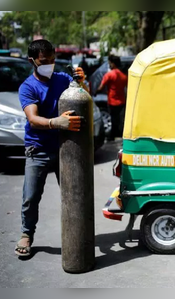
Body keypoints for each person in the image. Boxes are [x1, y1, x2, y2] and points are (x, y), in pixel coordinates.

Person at [15, 39, 88, 257]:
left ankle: (80, 235)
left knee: (74, 194)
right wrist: (55, 122)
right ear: (32, 61)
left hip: (65, 148)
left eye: (53, 60)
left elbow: (81, 97)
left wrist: (81, 83)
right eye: (44, 61)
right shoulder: (28, 87)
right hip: (38, 149)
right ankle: (26, 235)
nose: (50, 65)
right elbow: (33, 118)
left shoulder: (63, 79)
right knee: (31, 196)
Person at [94, 55, 127, 141]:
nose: (109, 65)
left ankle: (112, 136)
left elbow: (101, 87)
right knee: (120, 119)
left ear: (113, 63)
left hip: (112, 101)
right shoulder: (123, 76)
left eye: (110, 63)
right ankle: (120, 134)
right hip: (122, 101)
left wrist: (95, 92)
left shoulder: (109, 75)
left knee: (113, 118)